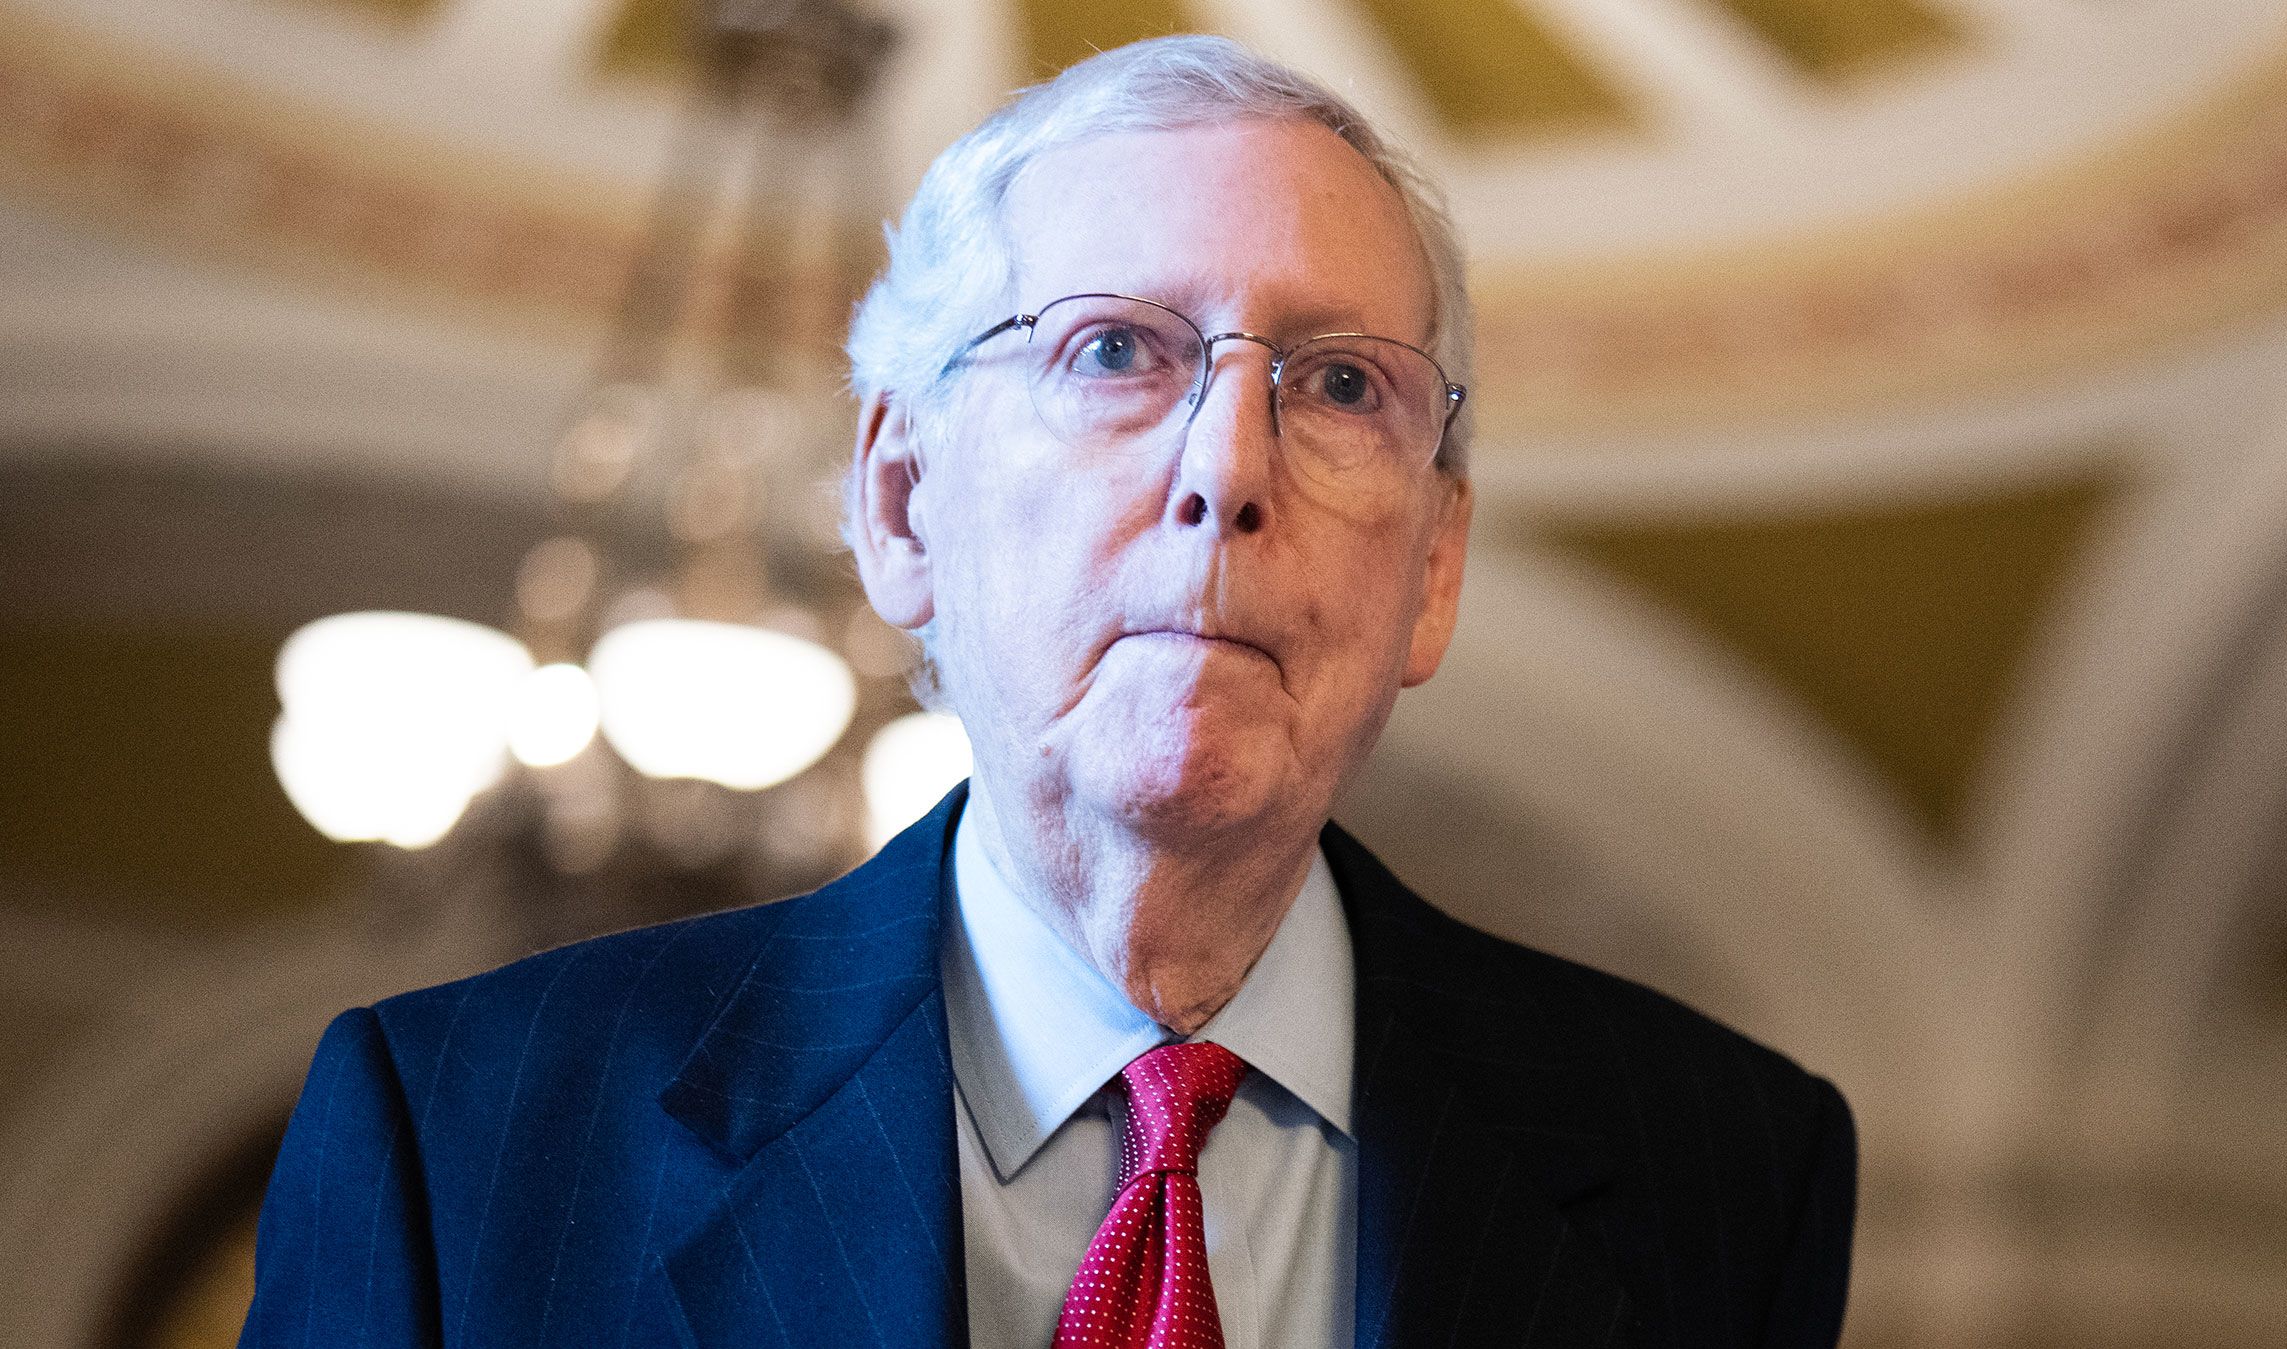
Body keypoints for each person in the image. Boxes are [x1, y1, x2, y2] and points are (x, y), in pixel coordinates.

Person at [240, 35, 1853, 1349]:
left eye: (1343, 383)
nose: (1226, 468)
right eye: (1114, 352)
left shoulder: (1720, 1166)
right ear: (900, 502)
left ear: (1433, 570)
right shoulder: (462, 1143)